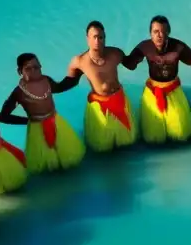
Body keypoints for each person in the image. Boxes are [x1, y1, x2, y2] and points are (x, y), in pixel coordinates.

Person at [58, 21, 138, 152]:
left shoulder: (115, 54)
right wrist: (52, 87)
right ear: (87, 39)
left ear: (105, 38)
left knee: (127, 143)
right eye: (94, 37)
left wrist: (143, 51)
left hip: (119, 100)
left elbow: (130, 64)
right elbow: (71, 82)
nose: (98, 41)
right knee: (102, 147)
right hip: (100, 105)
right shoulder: (80, 62)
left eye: (101, 37)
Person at [0, 53, 86, 174]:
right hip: (37, 128)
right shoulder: (18, 92)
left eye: (37, 67)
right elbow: (4, 115)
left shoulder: (46, 80)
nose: (34, 71)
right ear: (20, 71)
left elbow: (60, 87)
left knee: (67, 155)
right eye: (29, 69)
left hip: (56, 121)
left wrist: (78, 74)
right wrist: (26, 121)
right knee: (45, 163)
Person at [123, 15, 191, 144]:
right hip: (153, 92)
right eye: (156, 32)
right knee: (153, 138)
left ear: (168, 32)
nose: (159, 35)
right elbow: (130, 65)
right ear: (150, 33)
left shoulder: (178, 47)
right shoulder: (144, 47)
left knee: (180, 134)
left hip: (173, 91)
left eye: (163, 32)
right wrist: (113, 54)